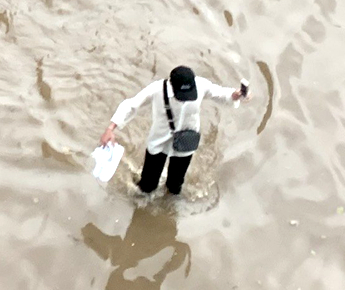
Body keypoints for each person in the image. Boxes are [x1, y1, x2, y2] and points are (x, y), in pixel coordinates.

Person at [100, 66, 249, 196]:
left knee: (175, 187)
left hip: (185, 143)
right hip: (159, 142)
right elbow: (131, 105)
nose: (185, 100)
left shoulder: (200, 84)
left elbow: (220, 94)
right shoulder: (157, 89)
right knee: (147, 186)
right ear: (172, 85)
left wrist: (236, 95)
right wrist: (110, 128)